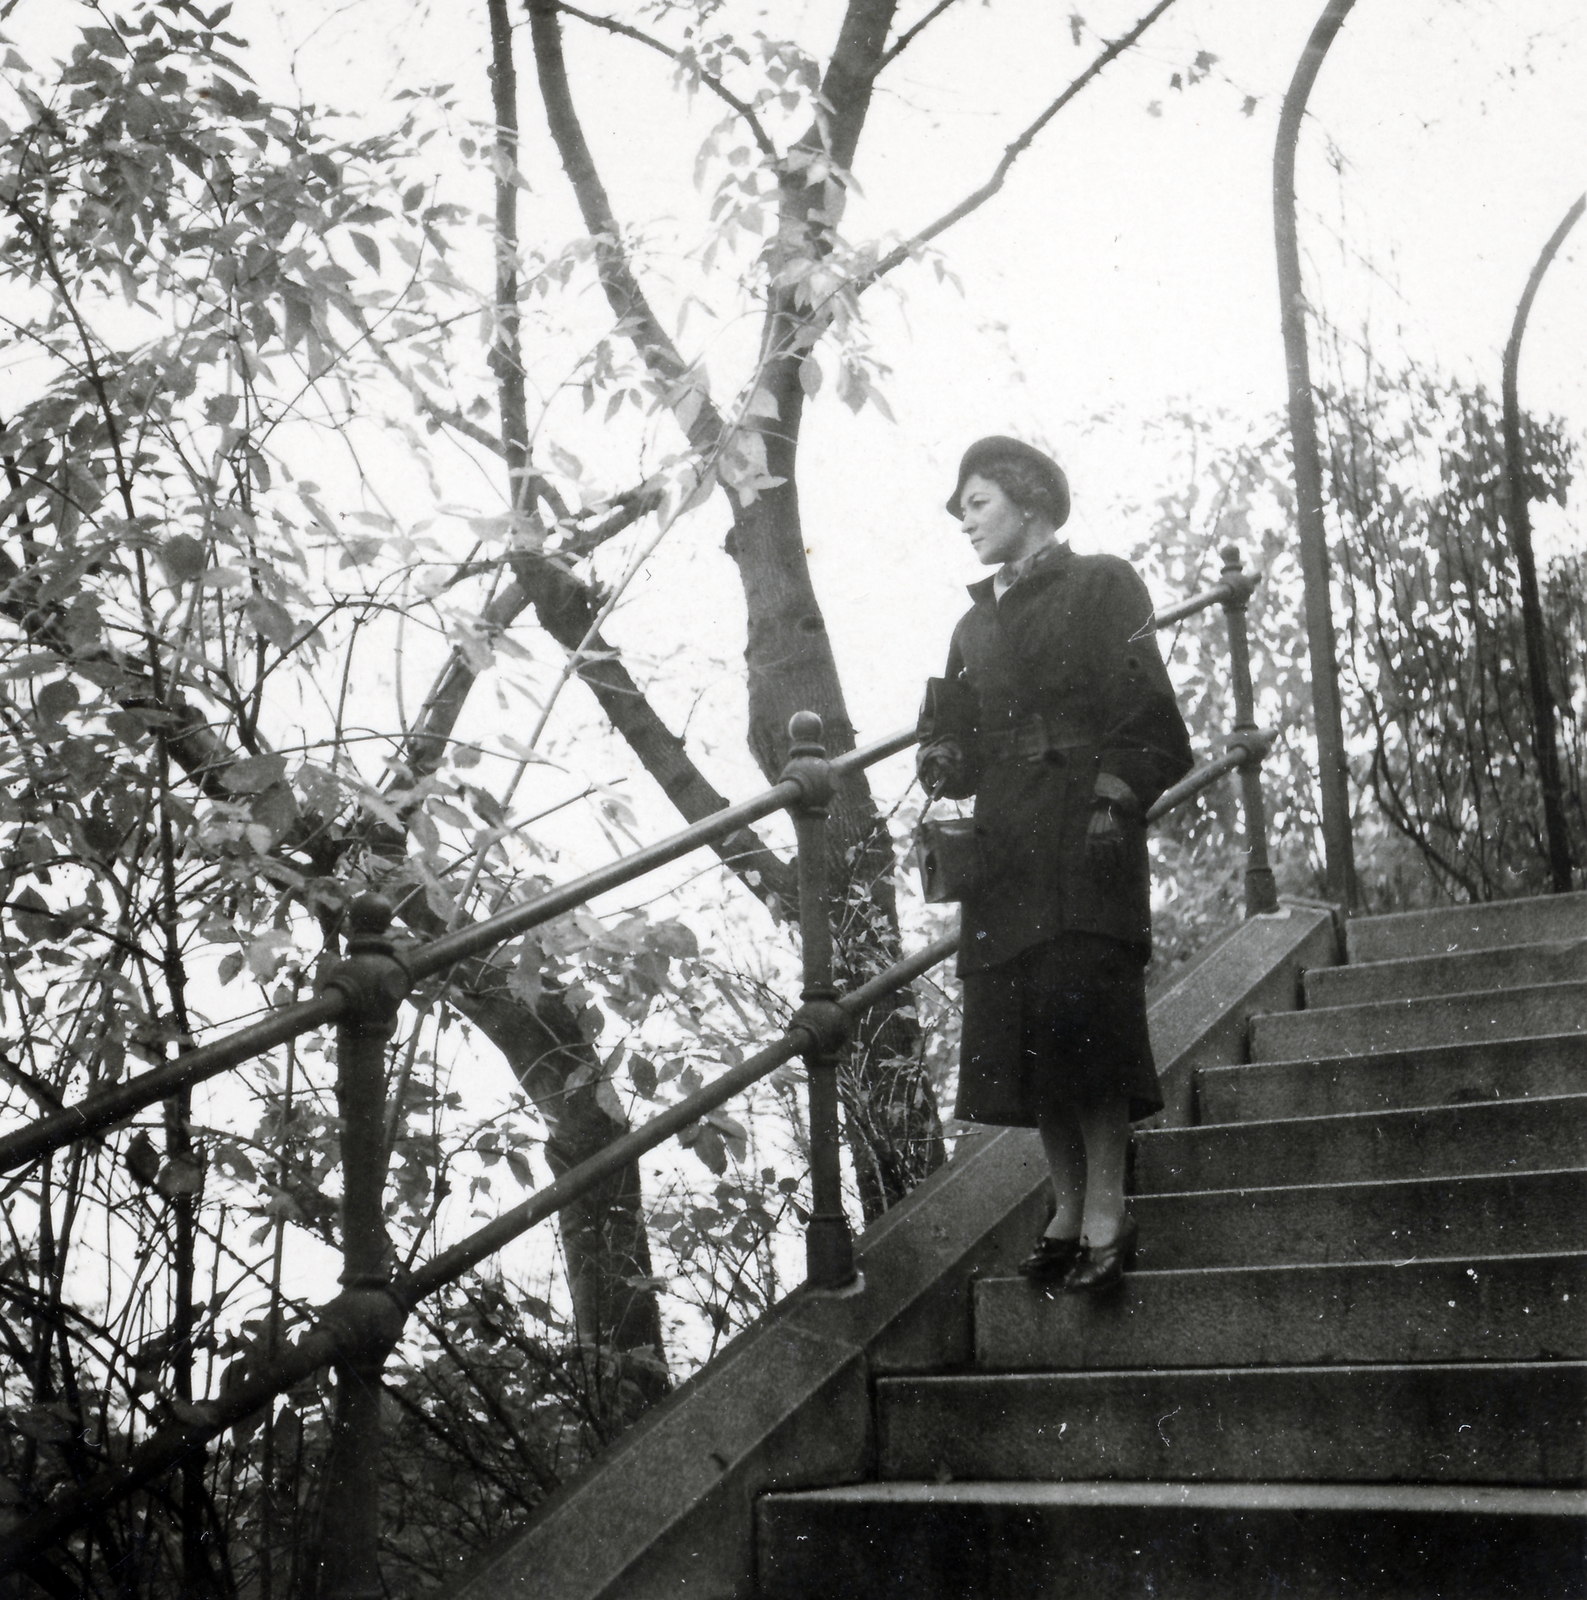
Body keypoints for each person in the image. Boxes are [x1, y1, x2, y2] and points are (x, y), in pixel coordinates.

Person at [916, 437, 1193, 1292]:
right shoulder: (971, 623)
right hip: (1004, 843)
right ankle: (1065, 1206)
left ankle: (1108, 1204)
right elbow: (954, 739)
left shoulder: (1103, 582)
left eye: (976, 503)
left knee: (1086, 1017)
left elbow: (1148, 713)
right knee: (1024, 1025)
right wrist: (940, 759)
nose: (961, 521)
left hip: (1085, 827)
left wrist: (1114, 796)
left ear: (1028, 501)